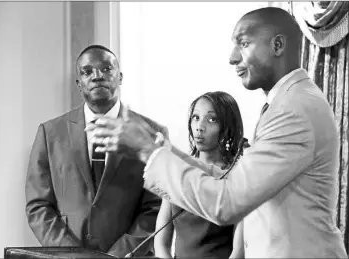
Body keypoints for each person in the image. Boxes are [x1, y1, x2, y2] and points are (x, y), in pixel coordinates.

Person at [87, 7, 348, 258]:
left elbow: (227, 202)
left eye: (243, 43)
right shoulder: (288, 102)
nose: (232, 57)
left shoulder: (293, 109)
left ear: (277, 46)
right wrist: (166, 151)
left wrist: (147, 149)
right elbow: (227, 181)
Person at [25, 45, 163, 257]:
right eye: (87, 72)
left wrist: (115, 256)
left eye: (107, 69)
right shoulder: (50, 133)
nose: (97, 76)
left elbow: (156, 207)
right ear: (79, 84)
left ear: (120, 77)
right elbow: (38, 206)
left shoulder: (152, 133)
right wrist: (72, 254)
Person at [154, 91, 244, 258]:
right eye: (195, 117)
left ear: (227, 126)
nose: (199, 126)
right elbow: (161, 242)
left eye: (212, 119)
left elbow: (238, 252)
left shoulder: (237, 176)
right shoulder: (177, 169)